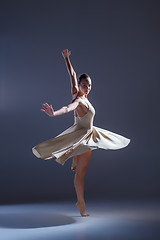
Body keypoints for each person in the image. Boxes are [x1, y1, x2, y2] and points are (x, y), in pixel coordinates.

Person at [32, 49, 131, 217]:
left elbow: (72, 73)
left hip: (84, 132)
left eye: (90, 85)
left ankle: (74, 161)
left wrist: (66, 58)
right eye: (85, 85)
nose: (88, 88)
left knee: (80, 170)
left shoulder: (78, 92)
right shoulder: (78, 99)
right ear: (80, 85)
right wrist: (54, 113)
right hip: (84, 137)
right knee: (81, 174)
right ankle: (81, 202)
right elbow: (67, 108)